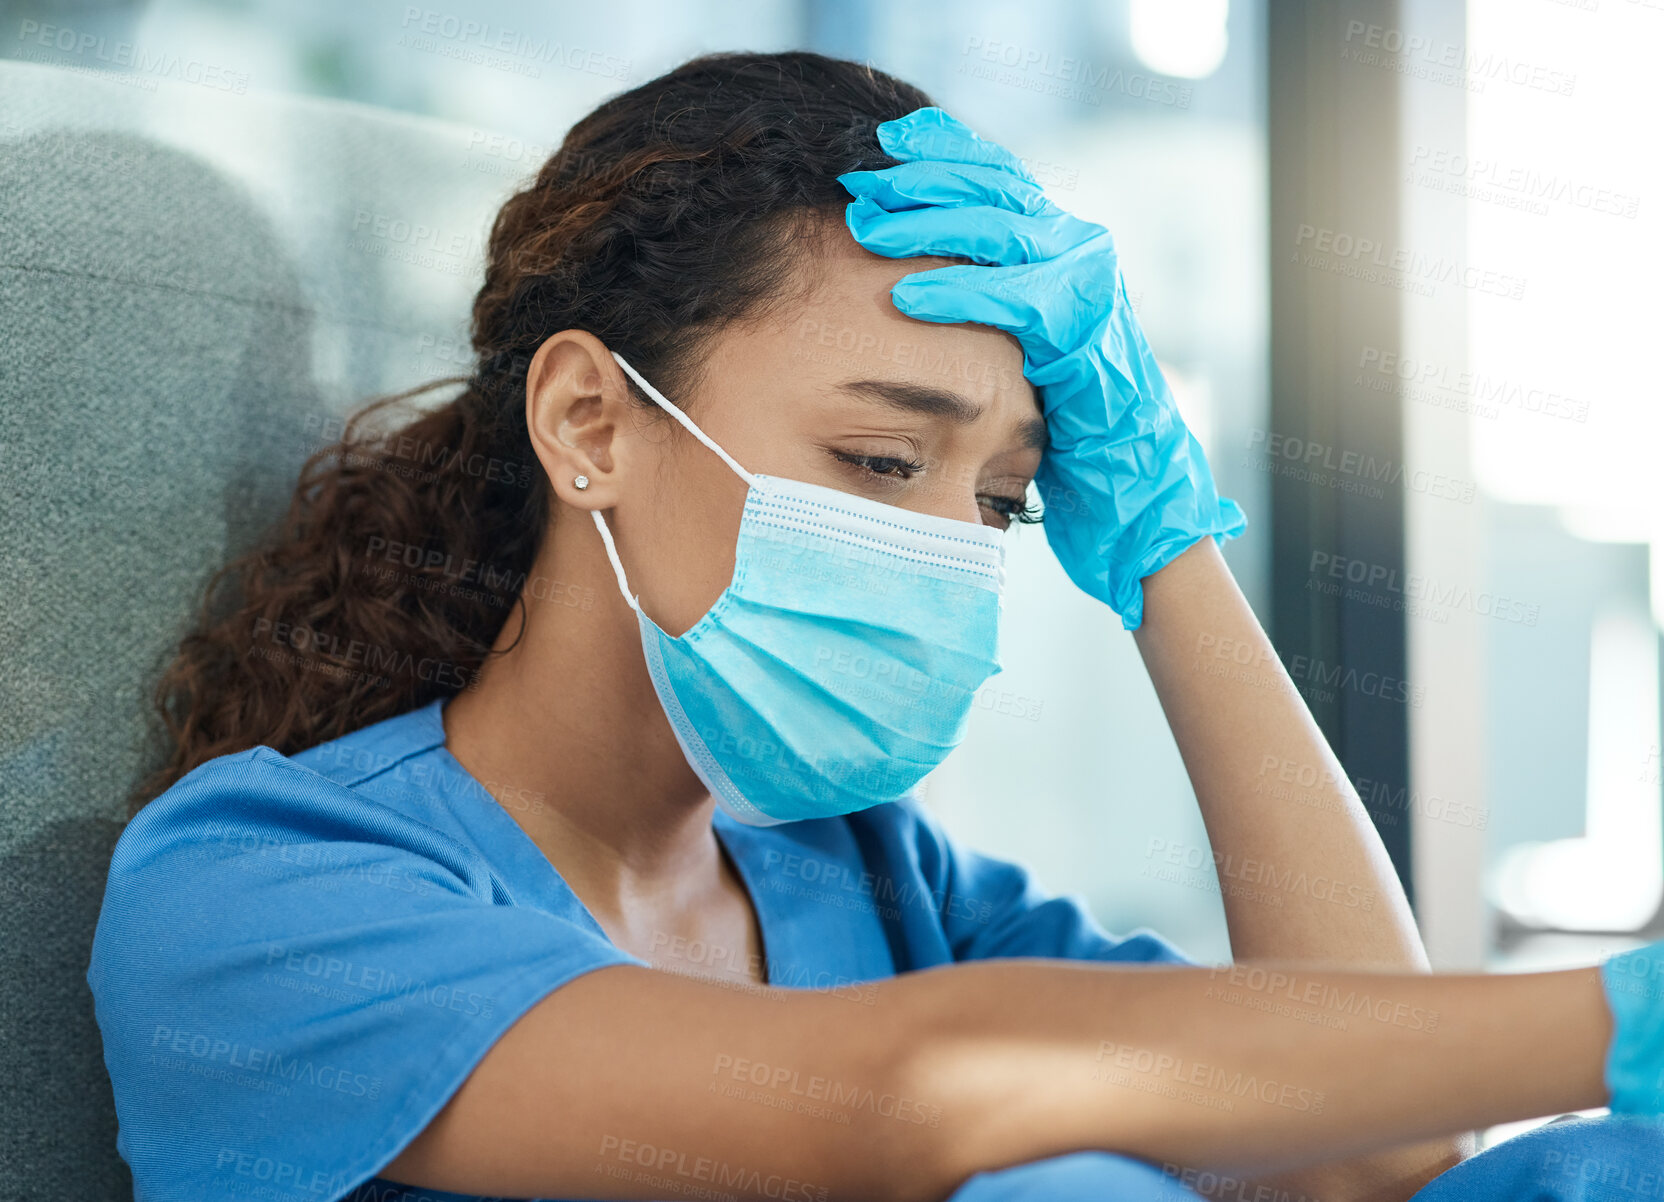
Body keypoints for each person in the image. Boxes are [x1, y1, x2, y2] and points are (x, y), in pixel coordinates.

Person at [87, 49, 1664, 1202]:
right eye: (881, 461)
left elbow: (1374, 1137)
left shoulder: (868, 871)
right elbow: (903, 1095)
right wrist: (1612, 1016)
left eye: (1001, 501)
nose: (946, 554)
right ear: (590, 421)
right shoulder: (256, 891)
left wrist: (1172, 552)